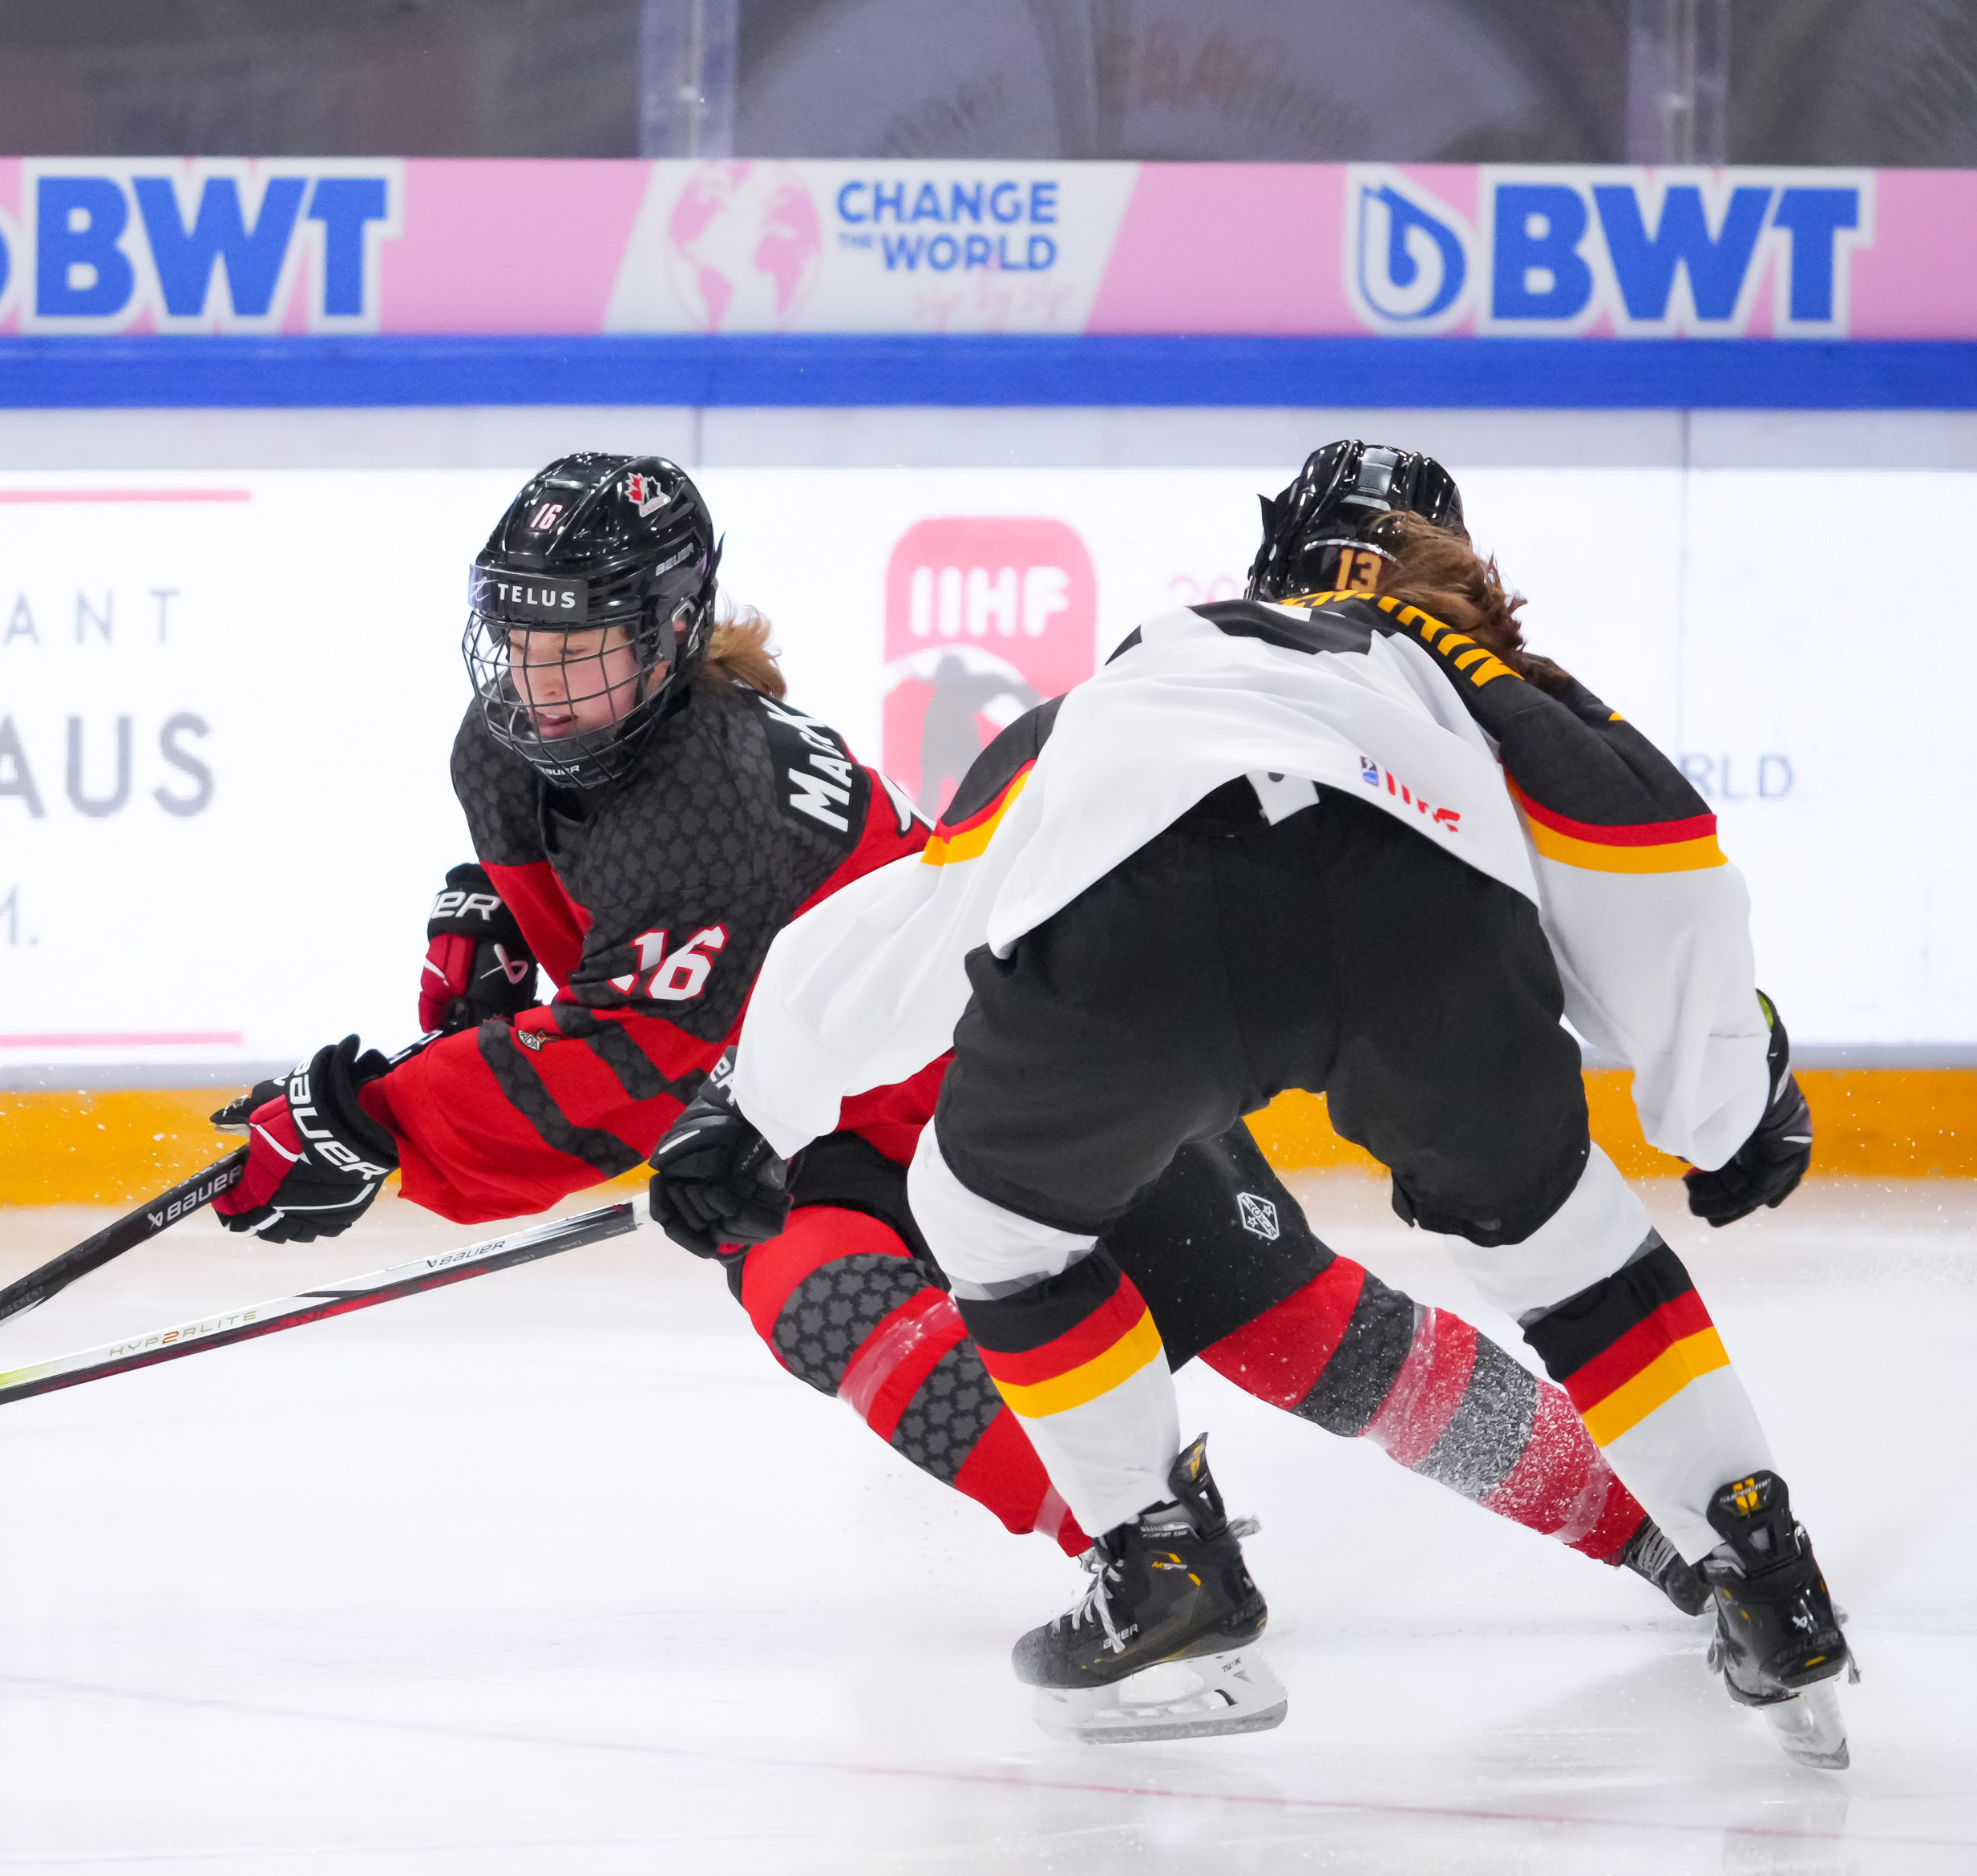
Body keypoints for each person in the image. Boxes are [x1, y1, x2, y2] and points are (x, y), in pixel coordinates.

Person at [210, 451, 1700, 1742]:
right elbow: (602, 978)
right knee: (809, 1288)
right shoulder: (513, 754)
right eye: (525, 643)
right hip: (822, 1130)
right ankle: (1155, 1563)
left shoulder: (715, 798)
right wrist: (472, 982)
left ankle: (1672, 1531)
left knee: (1312, 1336)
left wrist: (383, 1127)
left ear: (668, 635)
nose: (545, 685)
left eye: (583, 648)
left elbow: (617, 1070)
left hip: (1031, 1067)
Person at [657, 441, 1849, 1765]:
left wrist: (754, 1102)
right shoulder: (1485, 680)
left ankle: (1160, 1562)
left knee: (988, 1222)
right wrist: (1729, 1102)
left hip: (1147, 918)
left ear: (1275, 563)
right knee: (1576, 1256)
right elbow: (1650, 868)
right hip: (1423, 929)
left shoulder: (1171, 653)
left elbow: (943, 900)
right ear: (1465, 576)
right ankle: (1769, 1579)